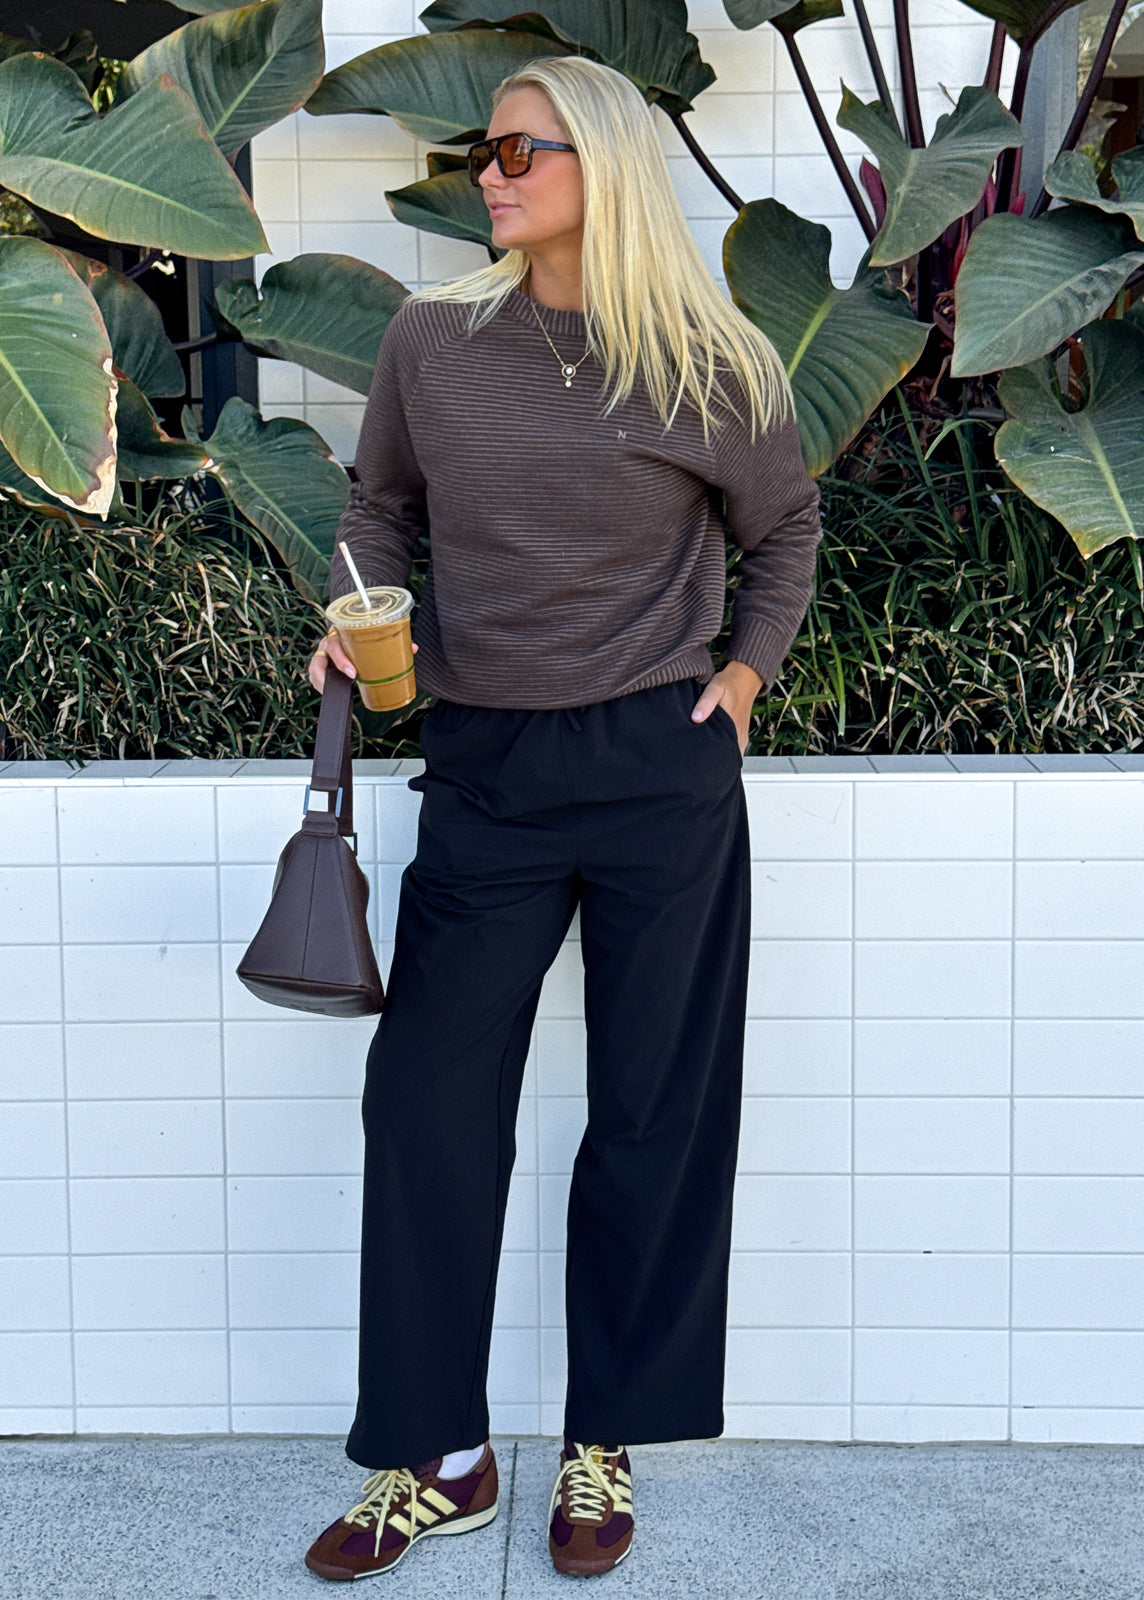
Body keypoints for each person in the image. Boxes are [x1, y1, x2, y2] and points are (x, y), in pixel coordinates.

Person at [302, 53, 822, 1583]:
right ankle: (441, 1457)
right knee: (426, 1102)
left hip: (662, 768)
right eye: (484, 148)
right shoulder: (432, 341)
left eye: (521, 147)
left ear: (598, 160)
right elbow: (377, 505)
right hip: (487, 767)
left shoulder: (710, 360)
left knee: (657, 1109)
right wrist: (358, 612)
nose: (492, 171)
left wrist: (738, 683)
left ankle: (609, 1439)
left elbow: (782, 528)